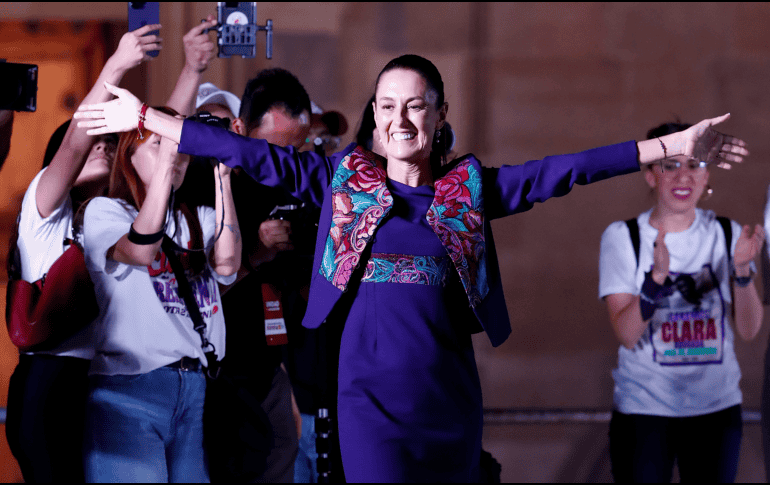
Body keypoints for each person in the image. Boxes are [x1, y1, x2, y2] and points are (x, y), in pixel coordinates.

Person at [74, 54, 749, 482]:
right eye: (387, 105)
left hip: (447, 405)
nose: (400, 117)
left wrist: (668, 144)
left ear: (439, 115)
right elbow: (250, 155)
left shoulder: (469, 191)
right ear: (373, 118)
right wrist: (149, 120)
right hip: (366, 408)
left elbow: (563, 172)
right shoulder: (338, 183)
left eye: (415, 103)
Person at [3, 23, 164, 483]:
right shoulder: (44, 207)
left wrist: (192, 69)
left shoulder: (114, 216)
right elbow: (77, 137)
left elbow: (157, 149)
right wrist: (115, 65)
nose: (100, 146)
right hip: (51, 381)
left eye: (107, 144)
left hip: (104, 379)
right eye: (93, 141)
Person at [599, 122, 764, 483]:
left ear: (707, 175)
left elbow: (750, 329)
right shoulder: (623, 237)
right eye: (669, 165)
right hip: (644, 412)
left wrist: (741, 270)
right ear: (650, 175)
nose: (683, 176)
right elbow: (627, 335)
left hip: (717, 411)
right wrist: (655, 281)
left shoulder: (727, 233)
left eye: (694, 165)